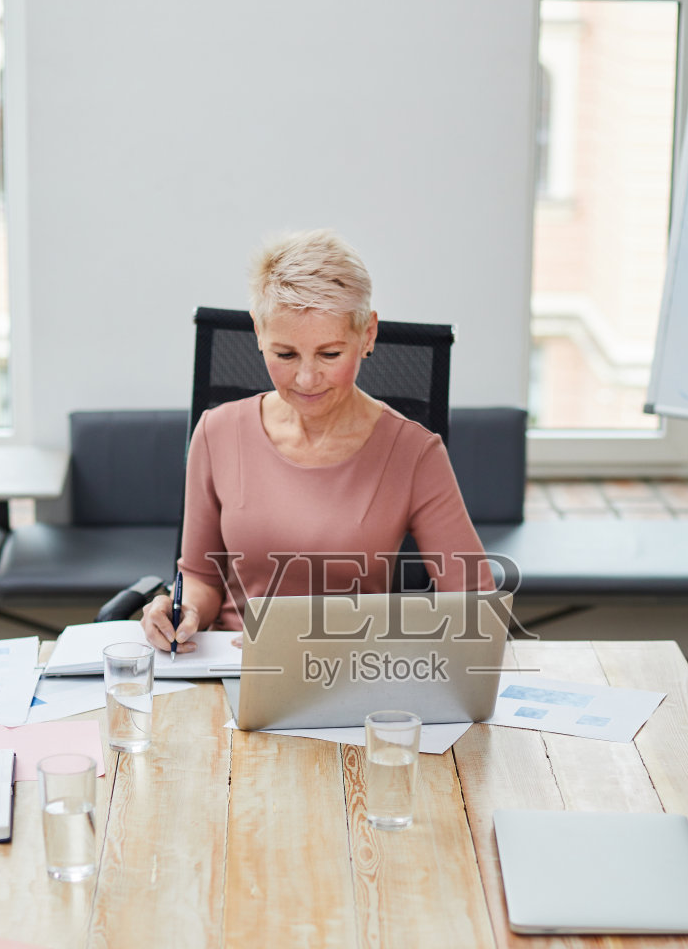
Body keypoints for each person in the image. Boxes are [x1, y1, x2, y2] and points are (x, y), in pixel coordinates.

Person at [142, 229, 490, 649]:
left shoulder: (414, 452)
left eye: (330, 354)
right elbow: (200, 576)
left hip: (355, 675)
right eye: (285, 354)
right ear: (258, 332)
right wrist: (184, 609)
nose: (306, 379)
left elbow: (475, 606)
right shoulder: (216, 433)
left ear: (367, 335)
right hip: (236, 673)